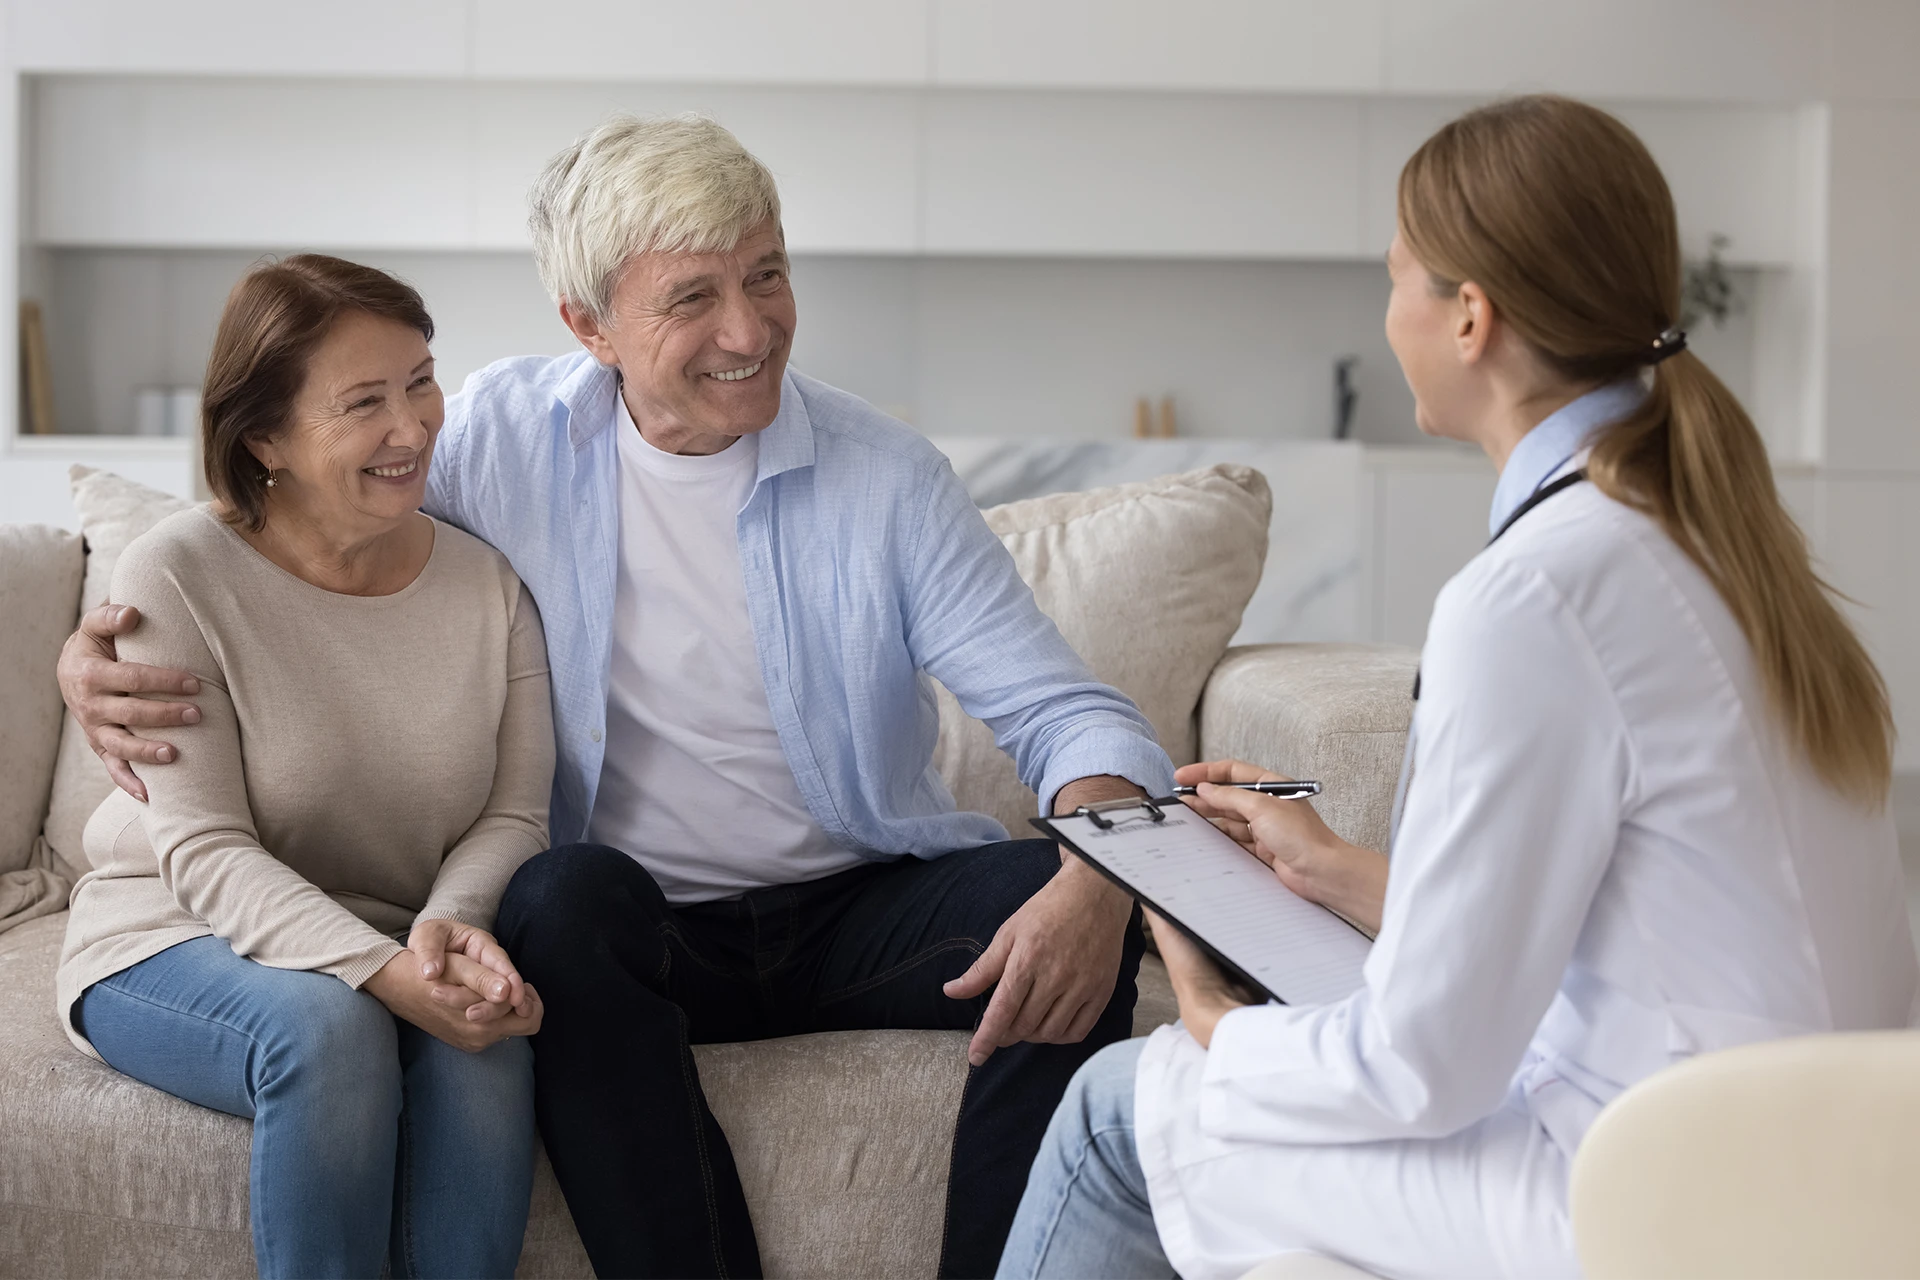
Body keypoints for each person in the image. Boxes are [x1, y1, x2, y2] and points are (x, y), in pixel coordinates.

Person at [58, 115, 1174, 1280]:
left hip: (854, 902)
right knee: (557, 895)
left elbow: (1066, 712)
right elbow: (292, 522)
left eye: (767, 274)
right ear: (587, 326)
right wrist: (94, 644)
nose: (748, 329)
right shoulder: (491, 437)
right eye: (691, 297)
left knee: (1077, 895)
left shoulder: (886, 479)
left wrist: (1096, 872)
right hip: (629, 930)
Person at [995, 94, 1920, 1280]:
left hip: (1652, 1193)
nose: (1389, 316)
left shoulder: (1536, 595)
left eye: (1397, 279)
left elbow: (1426, 1067)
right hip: (1820, 1168)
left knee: (1123, 1104)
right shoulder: (1715, 543)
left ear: (1470, 315)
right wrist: (1336, 869)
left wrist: (1221, 1030)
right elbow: (1628, 925)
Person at [55, 256, 555, 1280]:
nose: (412, 427)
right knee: (329, 1030)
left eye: (420, 380)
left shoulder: (486, 583)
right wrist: (385, 977)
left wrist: (446, 933)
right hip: (172, 929)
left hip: (395, 931)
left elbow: (514, 812)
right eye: (364, 402)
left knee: (488, 1046)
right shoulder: (178, 572)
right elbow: (201, 846)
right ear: (265, 438)